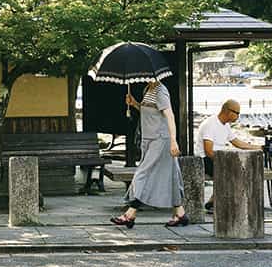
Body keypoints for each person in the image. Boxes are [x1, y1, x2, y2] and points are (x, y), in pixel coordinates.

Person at [111, 79, 187, 228]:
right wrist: (135, 104)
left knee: (143, 174)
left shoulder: (160, 91)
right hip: (150, 140)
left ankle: (130, 213)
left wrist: (173, 140)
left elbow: (169, 115)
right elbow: (149, 112)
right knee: (171, 176)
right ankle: (181, 214)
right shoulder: (147, 90)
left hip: (160, 139)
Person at [195, 99, 261, 210]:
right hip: (204, 159)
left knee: (241, 169)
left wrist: (259, 147)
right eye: (237, 113)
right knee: (231, 172)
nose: (238, 116)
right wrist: (225, 161)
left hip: (219, 157)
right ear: (227, 111)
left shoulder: (225, 126)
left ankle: (214, 201)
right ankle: (220, 203)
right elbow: (208, 151)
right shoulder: (210, 124)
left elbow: (237, 142)